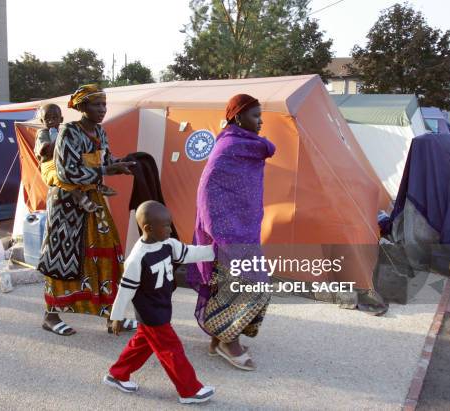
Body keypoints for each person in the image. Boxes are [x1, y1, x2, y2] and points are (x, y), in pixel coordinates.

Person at [186, 94, 276, 371]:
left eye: (261, 116)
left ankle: (220, 337)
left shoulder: (247, 146)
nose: (260, 122)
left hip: (245, 229)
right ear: (238, 117)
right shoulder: (228, 147)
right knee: (244, 285)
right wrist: (219, 232)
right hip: (225, 232)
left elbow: (246, 189)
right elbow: (208, 190)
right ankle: (229, 342)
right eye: (255, 116)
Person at [38, 84, 137, 336]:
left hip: (93, 201)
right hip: (67, 205)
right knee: (63, 258)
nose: (102, 109)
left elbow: (105, 160)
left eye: (104, 104)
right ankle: (50, 315)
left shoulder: (100, 132)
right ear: (82, 107)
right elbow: (65, 172)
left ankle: (113, 316)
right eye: (96, 104)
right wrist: (106, 171)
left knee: (108, 257)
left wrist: (123, 163)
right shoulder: (69, 133)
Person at [104, 201, 216, 404]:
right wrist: (117, 317)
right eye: (165, 226)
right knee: (171, 350)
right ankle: (189, 390)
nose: (170, 229)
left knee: (142, 345)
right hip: (151, 313)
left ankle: (116, 374)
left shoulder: (168, 244)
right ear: (148, 228)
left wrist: (214, 251)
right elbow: (125, 290)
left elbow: (189, 253)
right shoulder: (137, 258)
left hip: (162, 306)